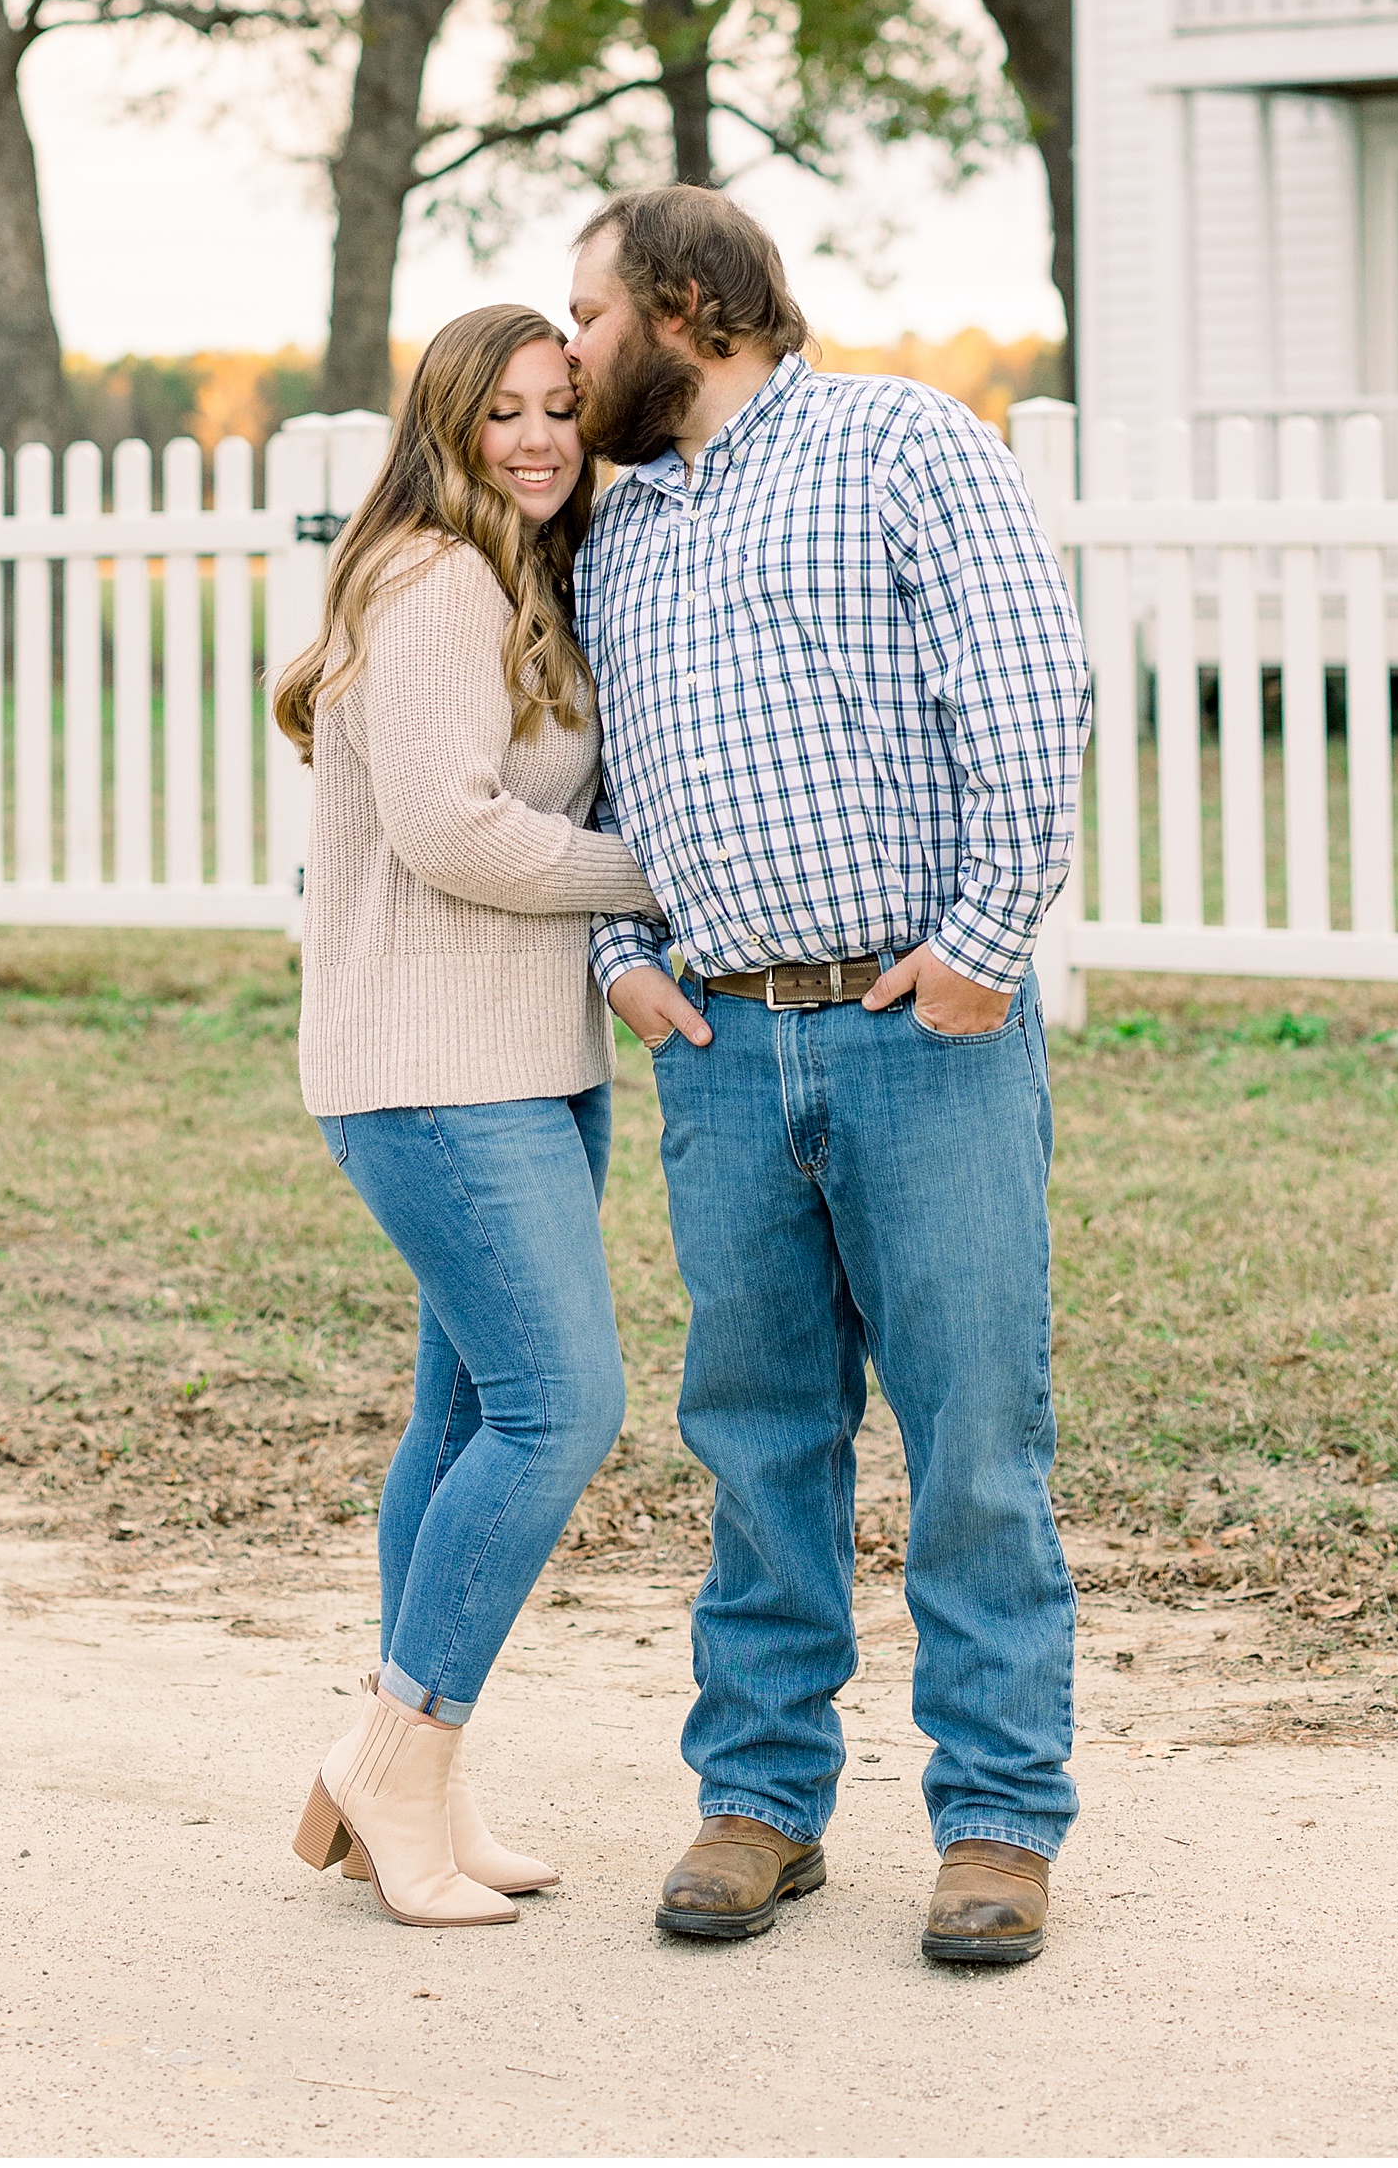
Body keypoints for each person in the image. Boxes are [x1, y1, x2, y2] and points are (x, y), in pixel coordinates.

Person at [569, 185, 1091, 1966]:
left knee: (971, 1437)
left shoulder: (898, 443)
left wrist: (982, 948)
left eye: (589, 317)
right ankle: (761, 1802)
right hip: (719, 1047)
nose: (569, 358)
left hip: (916, 1031)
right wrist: (623, 961)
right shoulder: (621, 526)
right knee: (758, 1435)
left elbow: (1030, 696)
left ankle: (1000, 1820)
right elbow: (600, 784)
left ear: (689, 303)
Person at [276, 302, 663, 1930]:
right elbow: (455, 832)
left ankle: (413, 1786)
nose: (537, 435)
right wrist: (670, 876)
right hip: (433, 1075)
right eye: (501, 409)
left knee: (457, 1426)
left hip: (528, 1059)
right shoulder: (434, 578)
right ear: (444, 424)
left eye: (561, 406)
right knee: (560, 1407)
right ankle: (396, 1746)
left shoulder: (522, 581)